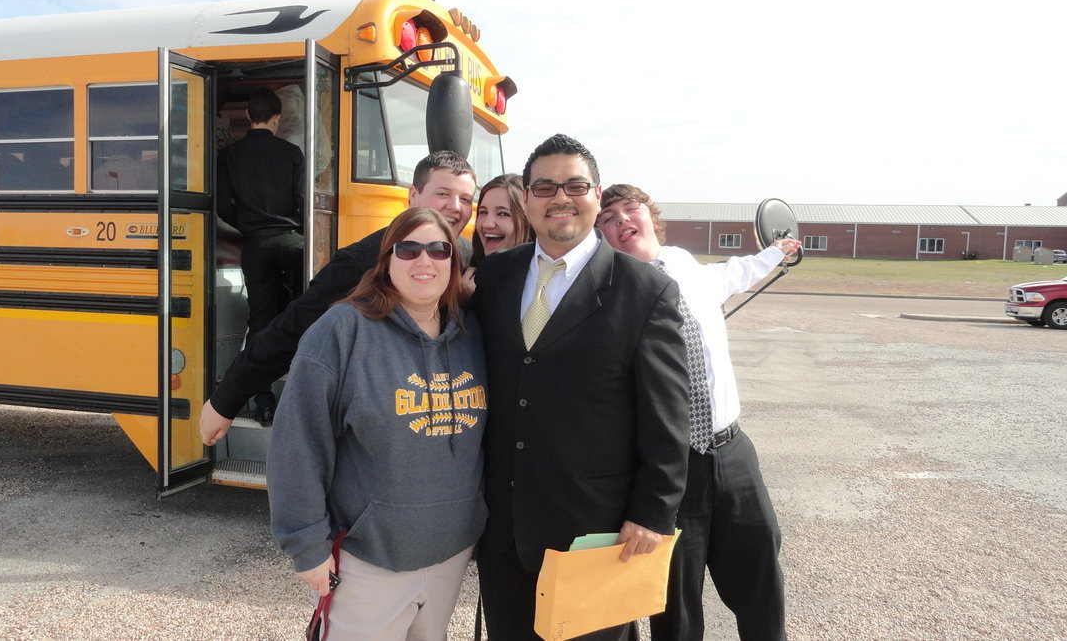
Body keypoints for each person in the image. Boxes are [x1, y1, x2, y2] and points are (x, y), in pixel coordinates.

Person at [470, 134, 693, 640]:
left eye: (575, 184)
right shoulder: (495, 277)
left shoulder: (645, 290)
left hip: (595, 534)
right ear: (526, 199)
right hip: (504, 530)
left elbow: (666, 417)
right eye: (544, 187)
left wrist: (652, 512)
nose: (560, 198)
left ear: (596, 195)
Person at [267, 207, 487, 639]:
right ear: (386, 261)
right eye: (408, 249)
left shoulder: (474, 335)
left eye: (439, 249)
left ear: (454, 263)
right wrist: (307, 546)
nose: (424, 261)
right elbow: (298, 443)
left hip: (450, 552)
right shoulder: (343, 330)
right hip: (369, 556)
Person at [596, 183, 800, 641]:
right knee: (675, 600)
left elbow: (736, 271)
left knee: (761, 575)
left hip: (732, 452)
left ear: (651, 217)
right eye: (607, 218)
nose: (622, 220)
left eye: (631, 209)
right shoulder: (608, 292)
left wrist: (776, 253)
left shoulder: (686, 266)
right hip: (670, 465)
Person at [199, 150, 476, 445]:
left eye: (467, 199)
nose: (456, 207)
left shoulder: (467, 254)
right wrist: (227, 398)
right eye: (443, 193)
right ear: (413, 196)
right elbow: (292, 330)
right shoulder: (361, 262)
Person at [216, 87, 307, 421]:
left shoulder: (229, 156)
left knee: (261, 320)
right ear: (278, 118)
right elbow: (302, 198)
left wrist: (249, 226)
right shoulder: (292, 152)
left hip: (255, 245)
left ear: (248, 116)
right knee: (305, 311)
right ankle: (302, 392)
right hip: (292, 242)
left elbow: (223, 204)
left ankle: (263, 402)